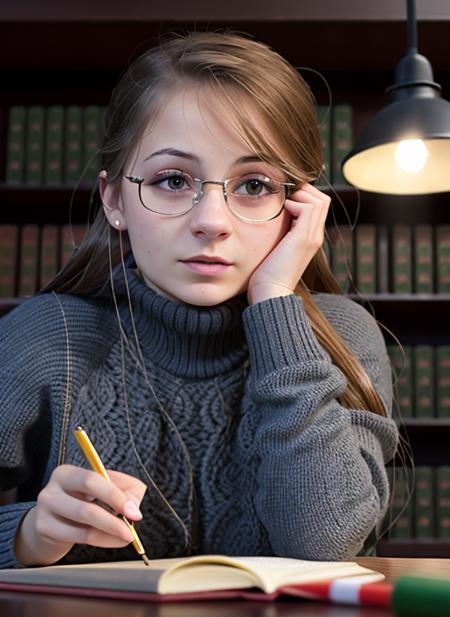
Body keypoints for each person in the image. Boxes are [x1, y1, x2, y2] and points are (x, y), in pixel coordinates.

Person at [0, 31, 398, 569]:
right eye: (171, 180)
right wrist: (27, 533)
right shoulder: (45, 337)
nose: (211, 221)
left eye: (255, 185)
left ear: (301, 207)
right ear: (115, 199)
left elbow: (324, 542)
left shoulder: (342, 336)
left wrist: (275, 304)